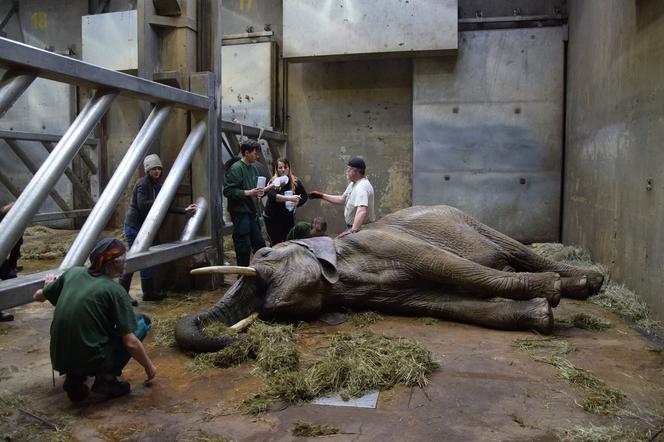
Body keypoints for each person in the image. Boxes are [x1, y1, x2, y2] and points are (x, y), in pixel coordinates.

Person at [33, 238, 156, 402]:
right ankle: (106, 380)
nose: (126, 262)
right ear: (115, 262)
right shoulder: (115, 291)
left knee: (89, 327)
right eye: (124, 259)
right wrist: (149, 367)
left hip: (59, 356)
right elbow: (130, 343)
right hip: (91, 357)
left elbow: (38, 296)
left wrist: (48, 287)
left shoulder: (73, 273)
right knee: (141, 322)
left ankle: (74, 378)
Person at [119, 154, 197, 302]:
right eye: (153, 169)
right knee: (134, 259)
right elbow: (142, 204)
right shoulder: (143, 184)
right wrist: (160, 201)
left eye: (159, 169)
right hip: (135, 227)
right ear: (148, 170)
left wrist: (184, 210)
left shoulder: (156, 186)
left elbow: (164, 207)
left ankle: (148, 292)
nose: (157, 171)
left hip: (145, 229)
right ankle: (123, 295)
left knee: (145, 259)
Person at [223, 140, 271, 266]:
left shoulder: (254, 168)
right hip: (240, 213)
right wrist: (249, 193)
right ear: (246, 153)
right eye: (255, 153)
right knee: (243, 246)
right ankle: (242, 275)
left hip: (252, 212)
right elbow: (228, 191)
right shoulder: (236, 168)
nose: (257, 156)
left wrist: (262, 191)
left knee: (259, 243)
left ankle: (259, 271)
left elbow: (255, 190)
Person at [308, 157, 375, 238]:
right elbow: (342, 199)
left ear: (355, 171)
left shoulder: (362, 187)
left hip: (360, 230)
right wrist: (321, 195)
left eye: (348, 169)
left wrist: (353, 231)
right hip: (355, 228)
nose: (346, 172)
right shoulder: (354, 184)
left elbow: (362, 210)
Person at [264, 158, 308, 245]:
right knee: (276, 244)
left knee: (288, 242)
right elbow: (273, 197)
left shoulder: (295, 181)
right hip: (273, 218)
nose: (283, 170)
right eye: (280, 168)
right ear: (276, 169)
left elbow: (304, 195)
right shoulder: (273, 182)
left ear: (289, 168)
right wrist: (290, 198)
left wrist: (298, 202)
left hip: (288, 217)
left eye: (285, 167)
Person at [0, 202, 23, 322]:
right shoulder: (14, 222)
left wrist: (12, 266)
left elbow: (16, 246)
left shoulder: (15, 223)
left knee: (11, 278)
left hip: (2, 256)